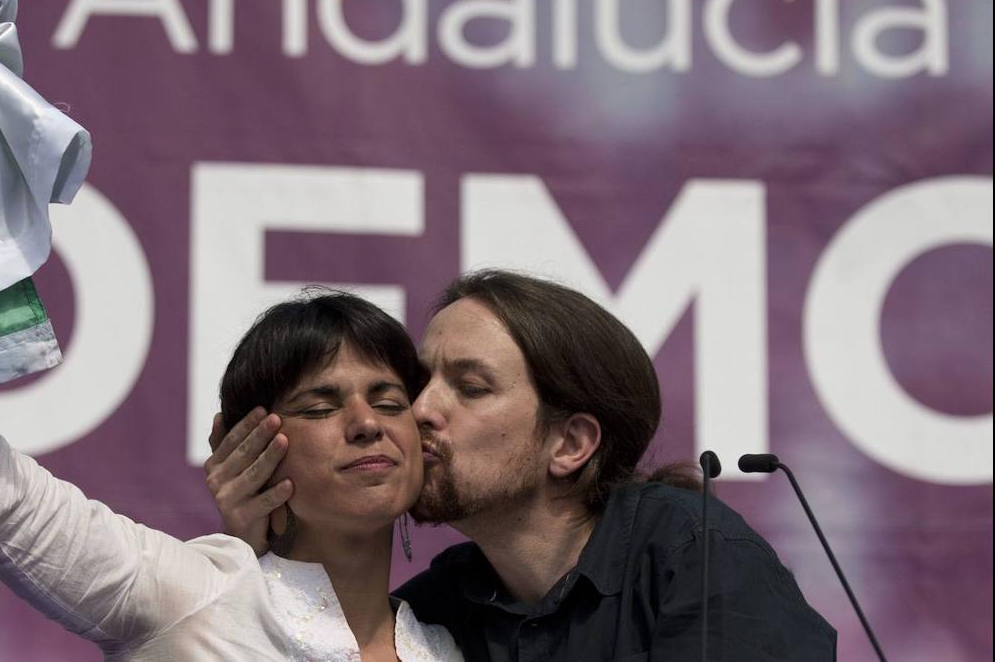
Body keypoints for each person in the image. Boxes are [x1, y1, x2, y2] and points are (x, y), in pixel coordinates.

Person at [206, 270, 838, 661]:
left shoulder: (690, 554)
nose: (418, 411)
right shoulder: (432, 617)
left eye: (470, 387)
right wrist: (255, 550)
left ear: (569, 444)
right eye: (419, 384)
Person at [0, 290, 462, 661]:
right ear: (244, 446)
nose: (366, 423)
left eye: (390, 402)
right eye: (319, 407)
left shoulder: (450, 646)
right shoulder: (192, 594)